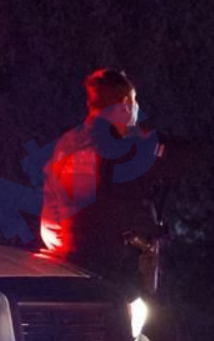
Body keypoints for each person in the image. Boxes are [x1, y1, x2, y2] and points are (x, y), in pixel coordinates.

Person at [38, 68, 167, 292]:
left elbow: (51, 217)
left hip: (67, 264)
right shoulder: (117, 151)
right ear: (126, 103)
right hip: (110, 273)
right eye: (135, 101)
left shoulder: (66, 145)